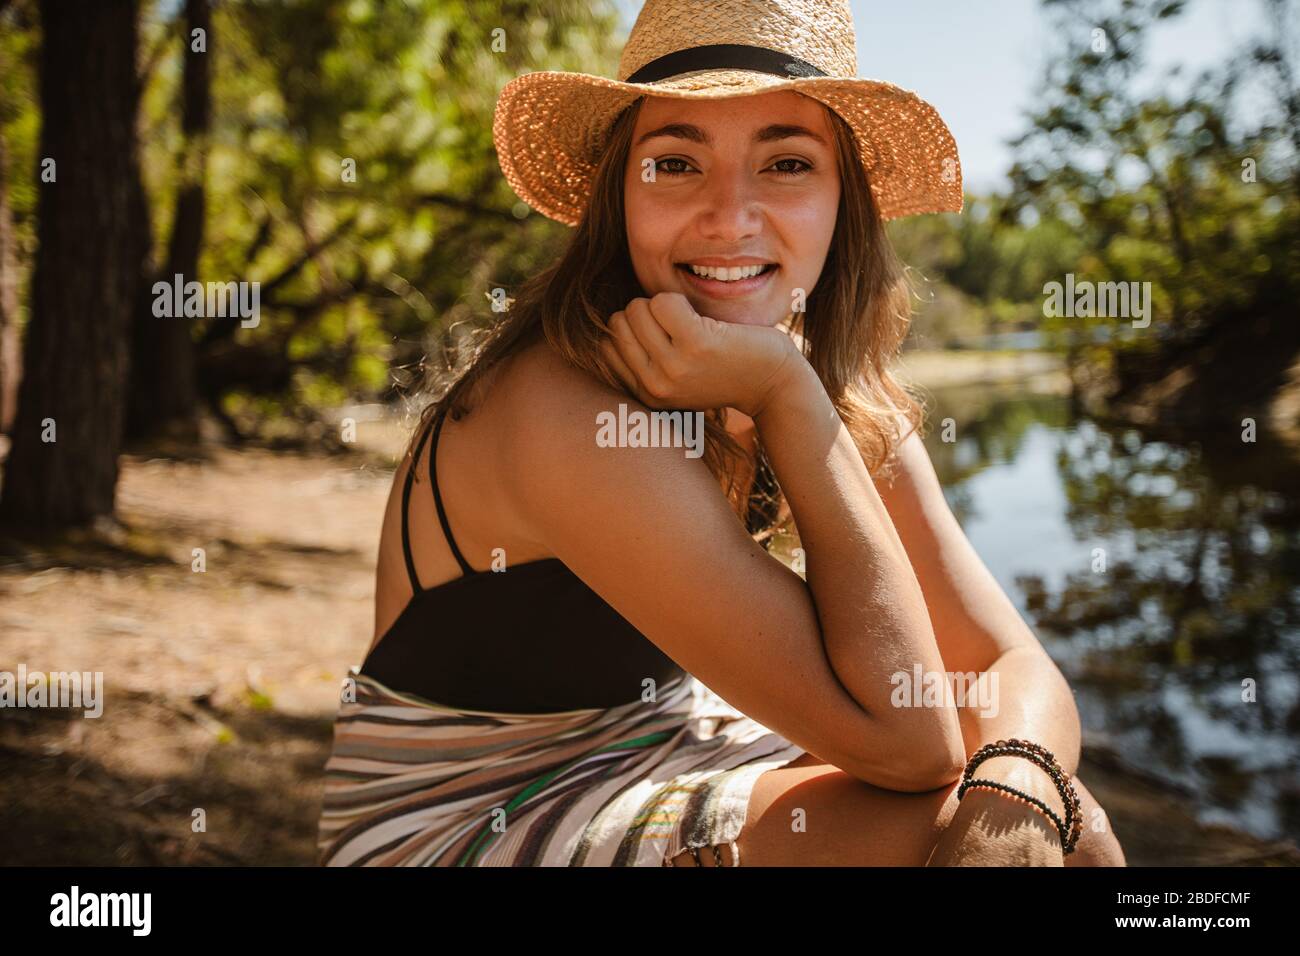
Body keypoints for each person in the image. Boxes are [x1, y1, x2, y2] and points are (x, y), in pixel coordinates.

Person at [315, 0, 1127, 867]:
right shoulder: (564, 410)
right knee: (962, 828)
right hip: (463, 812)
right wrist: (785, 394)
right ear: (615, 196)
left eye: (785, 163)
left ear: (840, 200)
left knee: (1052, 816)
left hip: (656, 741)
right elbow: (907, 739)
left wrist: (1021, 786)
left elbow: (1005, 658)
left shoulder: (821, 377)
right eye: (675, 163)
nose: (730, 216)